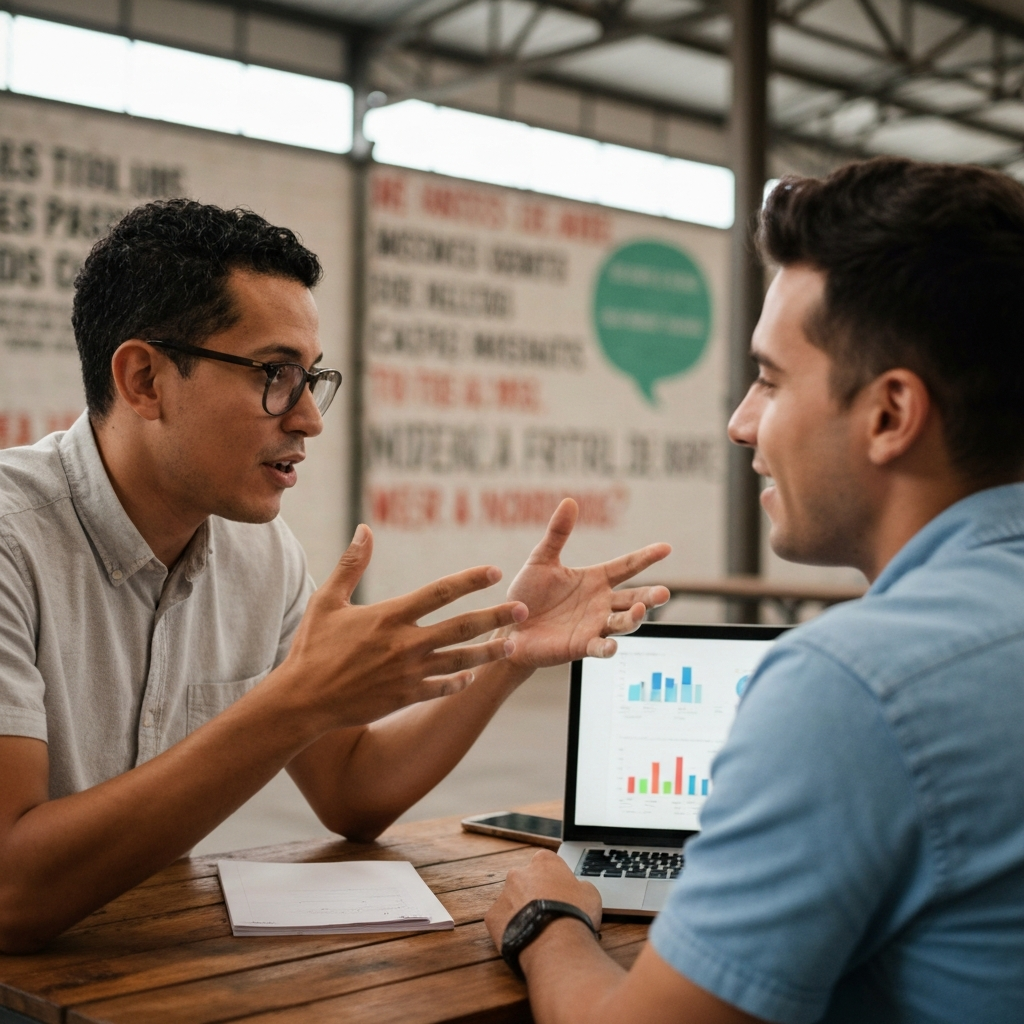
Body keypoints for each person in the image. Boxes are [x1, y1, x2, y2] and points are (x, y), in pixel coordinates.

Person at [0, 200, 671, 953]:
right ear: (145, 380)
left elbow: (354, 790)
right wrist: (293, 703)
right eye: (276, 375)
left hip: (139, 966)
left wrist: (506, 655)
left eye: (312, 378)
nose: (310, 419)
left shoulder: (260, 556)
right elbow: (10, 894)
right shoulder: (11, 540)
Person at [484, 156, 1024, 1023]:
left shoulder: (856, 686)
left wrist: (548, 923)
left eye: (770, 379)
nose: (741, 422)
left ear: (890, 414)